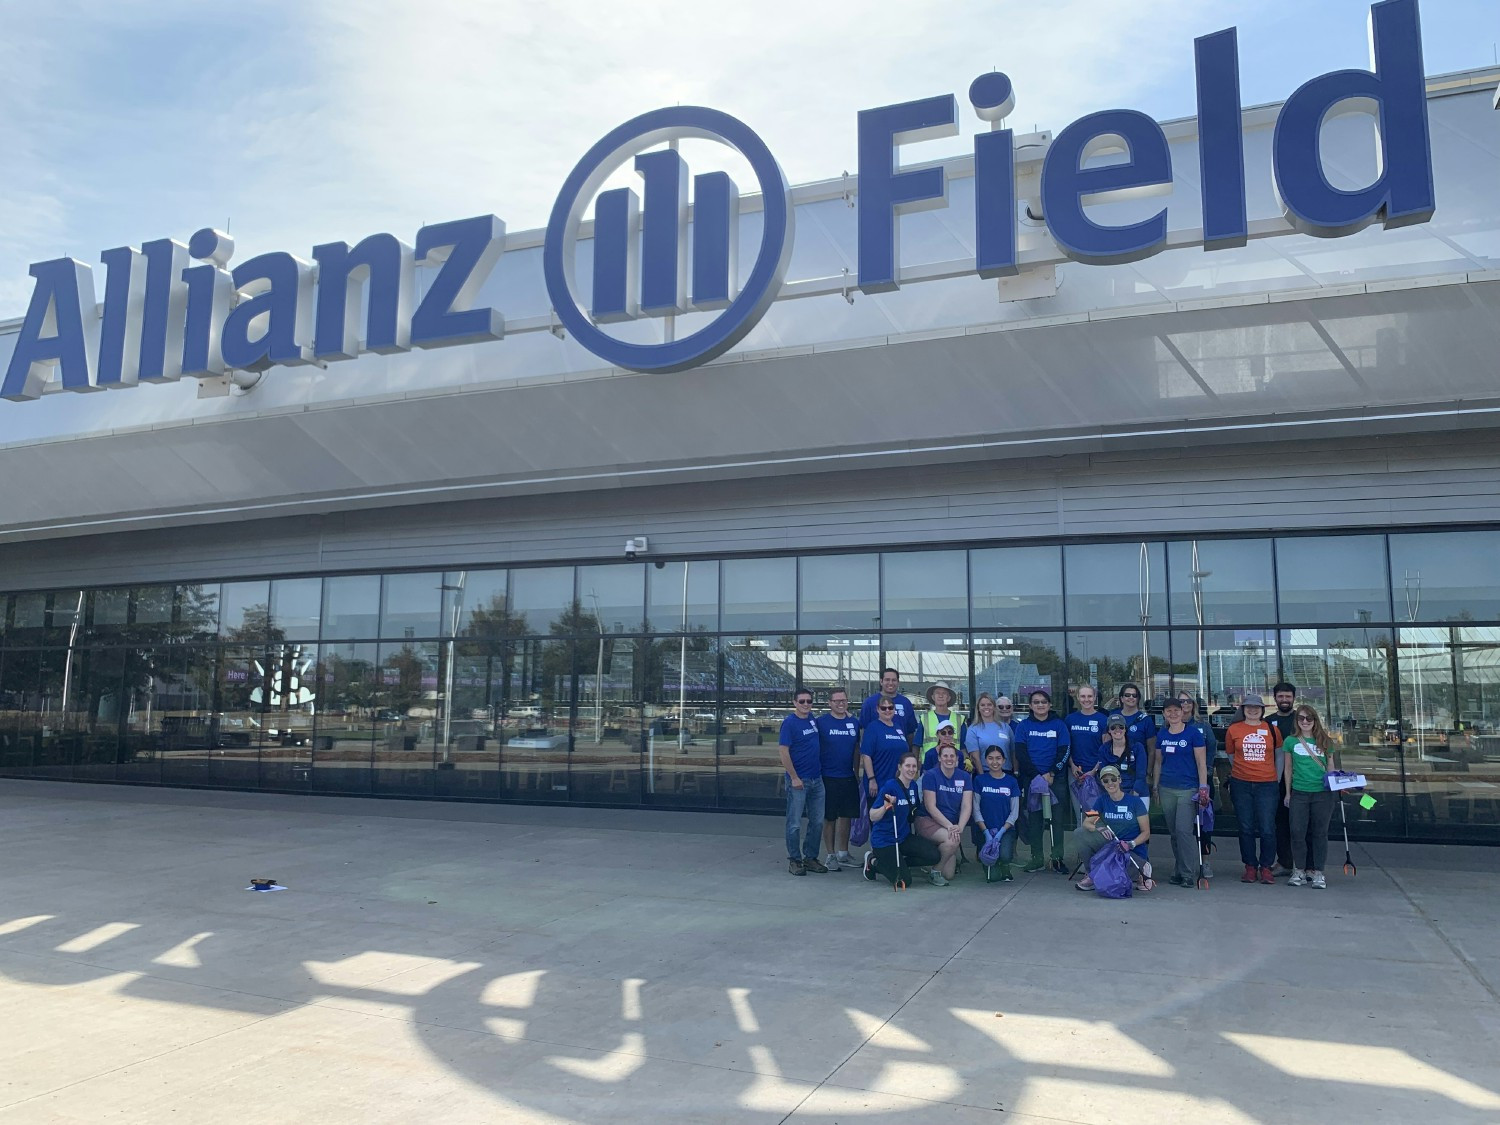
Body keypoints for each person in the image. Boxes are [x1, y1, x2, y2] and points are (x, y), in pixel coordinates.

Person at [1149, 697, 1210, 888]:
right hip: (1167, 788)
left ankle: (1187, 873)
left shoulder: (1193, 733)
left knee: (1184, 831)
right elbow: (1158, 762)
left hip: (1187, 789)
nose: (1173, 713)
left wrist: (1203, 787)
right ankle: (1178, 868)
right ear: (1164, 714)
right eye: (1169, 711)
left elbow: (1201, 763)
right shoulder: (1162, 735)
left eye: (1177, 710)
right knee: (1174, 833)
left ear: (1183, 711)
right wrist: (1155, 787)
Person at [1012, 690, 1072, 873]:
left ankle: (1057, 859)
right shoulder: (1023, 726)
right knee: (1035, 822)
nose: (1040, 705)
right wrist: (1037, 776)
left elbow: (1065, 751)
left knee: (1057, 821)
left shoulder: (1059, 725)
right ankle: (1036, 858)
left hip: (1056, 779)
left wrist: (1052, 772)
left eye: (1044, 702)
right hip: (1032, 780)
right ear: (1030, 706)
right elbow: (1020, 753)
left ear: (1049, 705)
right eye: (1036, 702)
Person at [1226, 693, 1283, 884]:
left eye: (1256, 707)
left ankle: (1266, 866)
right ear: (1243, 709)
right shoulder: (1234, 729)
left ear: (1262, 710)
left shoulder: (1271, 730)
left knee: (1267, 828)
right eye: (1248, 707)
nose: (1252, 710)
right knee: (1246, 827)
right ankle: (1250, 866)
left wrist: (1277, 778)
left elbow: (1279, 756)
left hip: (1267, 784)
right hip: (1241, 783)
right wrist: (1242, 771)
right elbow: (1231, 755)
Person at [1284, 703, 1339, 889]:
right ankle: (1298, 869)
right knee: (1297, 832)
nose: (1305, 721)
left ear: (1315, 720)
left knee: (1320, 833)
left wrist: (1334, 788)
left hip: (1322, 793)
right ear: (1297, 721)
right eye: (1301, 718)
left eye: (1309, 718)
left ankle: (1318, 872)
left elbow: (1330, 767)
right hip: (1299, 792)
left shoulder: (1325, 741)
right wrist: (1287, 793)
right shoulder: (1290, 741)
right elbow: (1288, 769)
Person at [1072, 763, 1151, 892]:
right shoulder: (1101, 801)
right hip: (1111, 846)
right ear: (1102, 783)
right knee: (1080, 833)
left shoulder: (1135, 802)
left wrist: (1131, 844)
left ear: (1120, 780)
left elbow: (1146, 833)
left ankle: (1143, 868)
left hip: (1130, 851)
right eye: (1106, 780)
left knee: (1121, 878)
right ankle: (1092, 873)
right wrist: (1098, 828)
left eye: (1113, 779)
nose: (1110, 783)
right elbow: (1087, 823)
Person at [778, 688, 827, 876]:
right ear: (795, 703)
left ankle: (811, 857)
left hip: (817, 779)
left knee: (817, 822)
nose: (806, 704)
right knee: (794, 823)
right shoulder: (790, 723)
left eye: (809, 701)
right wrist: (794, 777)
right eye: (802, 701)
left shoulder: (813, 720)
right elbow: (784, 752)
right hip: (799, 780)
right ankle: (795, 860)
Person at [815, 687, 862, 871]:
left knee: (847, 816)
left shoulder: (853, 722)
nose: (841, 704)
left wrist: (856, 772)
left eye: (843, 700)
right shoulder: (821, 723)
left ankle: (843, 853)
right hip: (828, 776)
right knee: (830, 817)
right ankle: (830, 855)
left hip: (848, 777)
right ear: (830, 703)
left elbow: (857, 749)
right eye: (837, 701)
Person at [862, 751, 922, 888]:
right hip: (885, 840)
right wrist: (885, 807)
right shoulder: (890, 786)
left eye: (914, 766)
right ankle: (873, 862)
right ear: (900, 767)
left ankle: (898, 862)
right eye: (908, 766)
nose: (911, 769)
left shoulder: (914, 786)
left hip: (902, 837)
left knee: (933, 855)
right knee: (904, 882)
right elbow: (872, 815)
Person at [916, 741, 972, 886]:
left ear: (957, 759)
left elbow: (967, 806)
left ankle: (930, 860)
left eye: (952, 756)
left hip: (950, 825)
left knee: (948, 875)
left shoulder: (964, 777)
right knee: (953, 840)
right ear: (939, 758)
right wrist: (950, 827)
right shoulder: (931, 775)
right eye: (945, 756)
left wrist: (959, 826)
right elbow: (930, 806)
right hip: (927, 820)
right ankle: (935, 872)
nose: (949, 759)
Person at [973, 745, 1021, 881]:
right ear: (985, 760)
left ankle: (1005, 865)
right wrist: (985, 832)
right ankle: (992, 866)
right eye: (991, 758)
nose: (995, 762)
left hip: (1005, 830)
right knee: (992, 877)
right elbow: (975, 809)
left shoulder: (1011, 781)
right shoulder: (979, 780)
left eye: (998, 758)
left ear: (1004, 760)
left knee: (1005, 855)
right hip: (985, 830)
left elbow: (1014, 812)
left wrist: (1001, 832)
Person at [1267, 681, 1299, 876]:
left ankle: (1303, 863)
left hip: (1302, 779)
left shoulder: (1302, 719)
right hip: (1277, 779)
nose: (1284, 700)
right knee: (1280, 823)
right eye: (1281, 696)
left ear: (1294, 698)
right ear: (1275, 698)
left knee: (1302, 824)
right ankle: (1285, 861)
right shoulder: (1268, 722)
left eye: (1288, 696)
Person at [1108, 683, 1156, 808]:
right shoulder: (1113, 716)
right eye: (1127, 695)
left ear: (1138, 698)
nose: (1131, 698)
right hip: (1116, 773)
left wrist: (1148, 772)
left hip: (1137, 772)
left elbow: (1151, 749)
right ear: (1121, 698)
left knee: (1138, 813)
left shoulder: (1145, 720)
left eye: (1134, 695)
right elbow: (1106, 744)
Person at [861, 696, 913, 798]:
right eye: (883, 708)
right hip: (879, 783)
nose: (887, 710)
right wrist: (872, 779)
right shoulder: (872, 728)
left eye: (890, 707)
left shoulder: (898, 727)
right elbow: (866, 755)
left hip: (898, 783)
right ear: (877, 709)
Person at [1065, 685, 1108, 794]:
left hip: (1096, 772)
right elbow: (1066, 746)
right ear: (1078, 698)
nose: (1086, 699)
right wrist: (1073, 766)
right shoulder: (1070, 719)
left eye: (1089, 696)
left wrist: (1094, 771)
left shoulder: (1103, 720)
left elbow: (1106, 749)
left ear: (1094, 698)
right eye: (1083, 696)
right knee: (1077, 808)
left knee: (1094, 809)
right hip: (1075, 772)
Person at [860, 667, 918, 748]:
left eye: (894, 680)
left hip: (901, 754)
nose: (890, 683)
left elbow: (910, 733)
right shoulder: (870, 702)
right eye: (887, 680)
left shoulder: (905, 703)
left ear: (898, 682)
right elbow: (863, 730)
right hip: (877, 754)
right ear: (881, 681)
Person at [964, 692, 1013, 774]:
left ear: (994, 707)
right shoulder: (973, 729)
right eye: (982, 705)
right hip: (985, 772)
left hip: (1006, 772)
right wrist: (982, 776)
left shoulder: (1005, 727)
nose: (986, 707)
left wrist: (1015, 771)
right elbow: (975, 757)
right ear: (978, 708)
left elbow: (1013, 751)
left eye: (989, 704)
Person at [918, 682, 966, 762]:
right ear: (933, 697)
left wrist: (966, 759)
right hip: (930, 764)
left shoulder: (959, 719)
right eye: (937, 693)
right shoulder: (924, 719)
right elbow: (916, 746)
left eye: (944, 693)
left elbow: (964, 746)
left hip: (953, 764)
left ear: (949, 698)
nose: (940, 696)